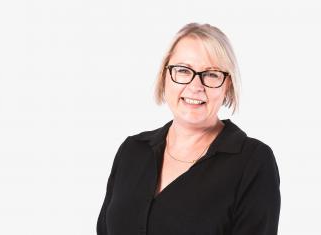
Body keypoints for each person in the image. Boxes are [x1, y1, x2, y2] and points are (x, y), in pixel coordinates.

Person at [97, 23, 281, 235]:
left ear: (227, 85)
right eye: (183, 70)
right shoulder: (132, 150)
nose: (196, 87)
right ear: (165, 75)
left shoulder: (253, 162)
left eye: (211, 74)